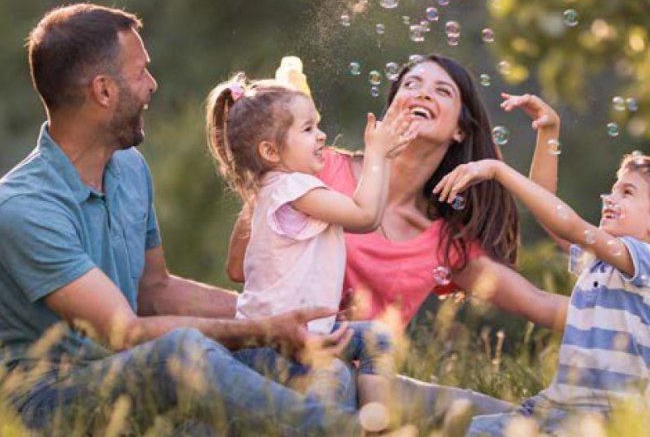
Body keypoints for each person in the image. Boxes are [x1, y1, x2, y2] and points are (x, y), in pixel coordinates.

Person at [0, 4, 365, 434]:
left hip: (132, 377)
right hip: (46, 402)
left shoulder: (128, 168)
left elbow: (155, 290)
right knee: (183, 352)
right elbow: (125, 332)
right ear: (104, 91)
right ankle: (348, 431)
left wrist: (287, 316)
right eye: (141, 72)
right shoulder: (24, 208)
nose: (152, 85)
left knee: (314, 364)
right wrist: (264, 328)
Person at [227, 55, 566, 416]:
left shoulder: (442, 241)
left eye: (441, 90)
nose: (422, 94)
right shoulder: (320, 170)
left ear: (460, 131)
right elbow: (238, 267)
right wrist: (269, 174)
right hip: (297, 358)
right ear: (389, 111)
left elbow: (540, 304)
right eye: (411, 85)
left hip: (370, 384)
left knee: (521, 419)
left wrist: (625, 309)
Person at [431, 150, 650, 433]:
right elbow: (550, 214)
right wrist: (549, 130)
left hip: (605, 417)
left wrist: (499, 171)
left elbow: (570, 226)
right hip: (557, 407)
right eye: (613, 190)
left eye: (626, 192)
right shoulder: (604, 262)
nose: (609, 199)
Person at [203, 70, 417, 417]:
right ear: (271, 151)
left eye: (316, 125)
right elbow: (366, 217)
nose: (322, 136)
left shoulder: (273, 190)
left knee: (378, 337)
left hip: (289, 336)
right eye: (308, 129)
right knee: (331, 377)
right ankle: (333, 424)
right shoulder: (292, 188)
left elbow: (368, 213)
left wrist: (384, 159)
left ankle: (376, 421)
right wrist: (375, 155)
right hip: (272, 346)